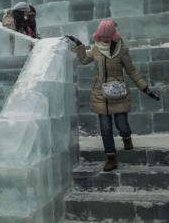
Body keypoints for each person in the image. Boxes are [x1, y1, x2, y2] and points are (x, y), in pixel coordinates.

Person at [66, 20, 160, 172]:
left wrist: (145, 89)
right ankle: (111, 158)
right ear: (99, 35)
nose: (105, 39)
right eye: (102, 36)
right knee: (105, 127)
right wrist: (79, 45)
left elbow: (132, 71)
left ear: (113, 35)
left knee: (121, 124)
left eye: (108, 36)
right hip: (100, 92)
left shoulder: (121, 50)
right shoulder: (96, 49)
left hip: (118, 92)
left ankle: (126, 136)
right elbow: (84, 61)